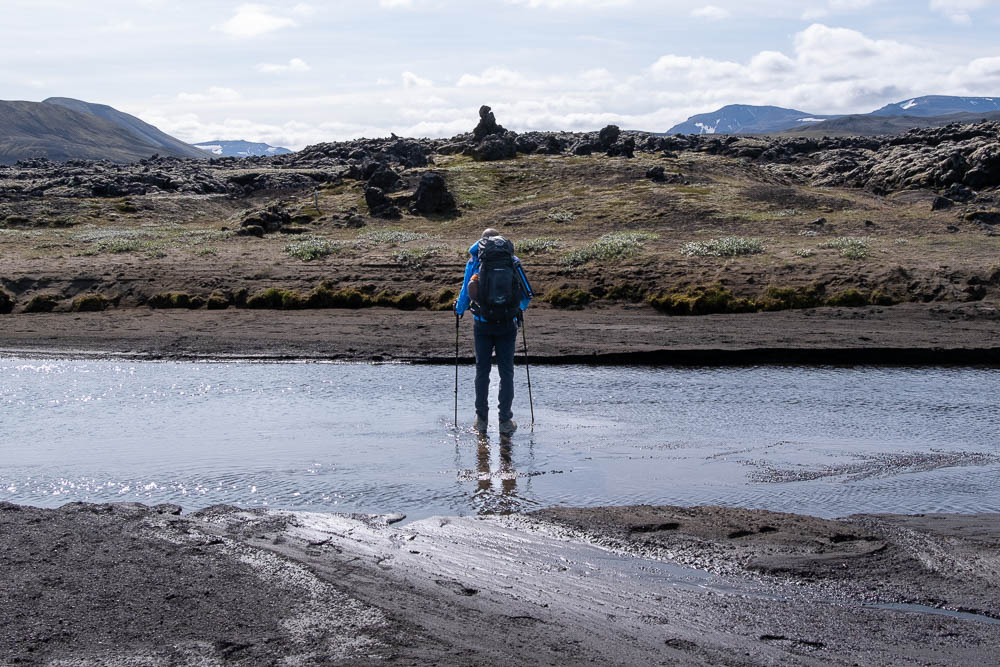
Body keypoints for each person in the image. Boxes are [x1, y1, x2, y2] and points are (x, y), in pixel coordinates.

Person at [455, 228, 532, 435]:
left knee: (482, 371)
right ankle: (505, 421)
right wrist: (516, 310)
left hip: (482, 323)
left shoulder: (475, 262)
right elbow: (527, 295)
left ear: (481, 243)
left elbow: (465, 292)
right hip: (507, 324)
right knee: (506, 372)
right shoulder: (512, 261)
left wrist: (459, 309)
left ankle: (481, 420)